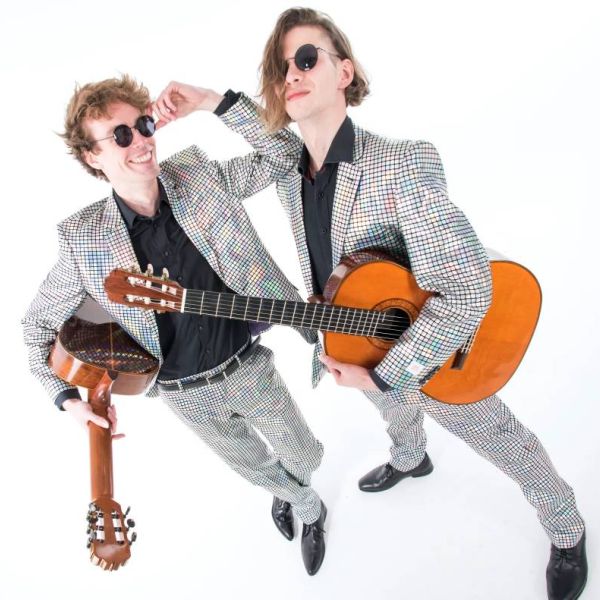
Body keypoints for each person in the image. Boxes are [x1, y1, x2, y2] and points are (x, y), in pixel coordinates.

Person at [153, 7, 587, 598]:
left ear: (345, 72)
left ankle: (566, 525)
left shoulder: (401, 164)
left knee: (503, 438)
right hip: (360, 341)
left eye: (308, 59)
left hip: (442, 355)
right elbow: (272, 139)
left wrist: (384, 373)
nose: (292, 74)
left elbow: (467, 290)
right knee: (390, 409)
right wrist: (210, 101)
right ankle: (412, 457)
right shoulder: (290, 168)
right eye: (282, 68)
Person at [21, 74, 327, 576]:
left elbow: (286, 155)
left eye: (143, 126)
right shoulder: (83, 240)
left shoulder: (200, 177)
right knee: (252, 465)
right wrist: (67, 401)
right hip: (184, 393)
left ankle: (299, 486)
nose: (141, 142)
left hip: (247, 366)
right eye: (120, 135)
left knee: (307, 455)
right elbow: (36, 329)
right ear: (93, 157)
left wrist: (212, 102)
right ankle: (305, 505)